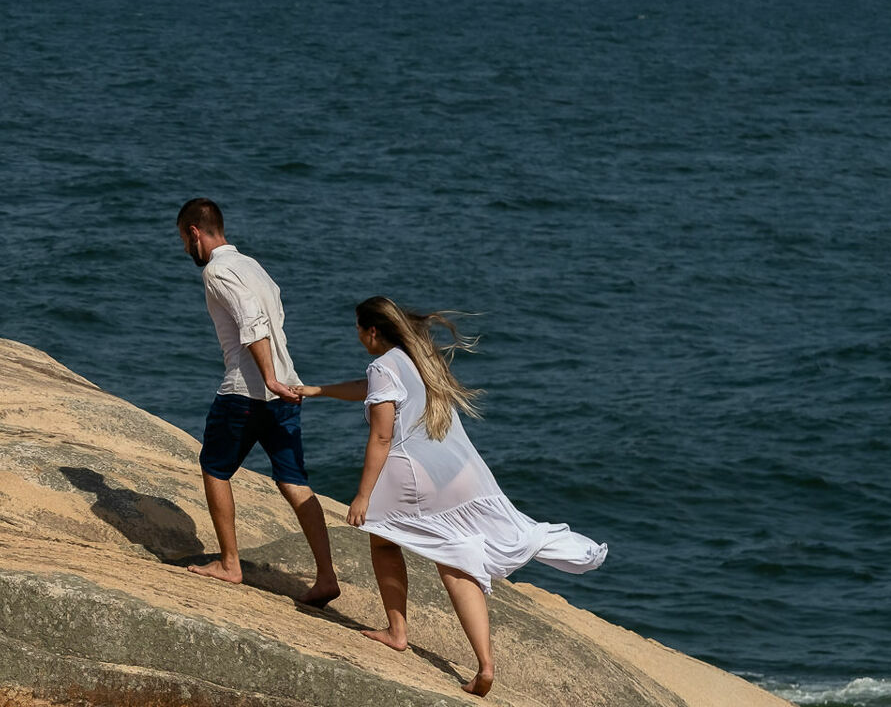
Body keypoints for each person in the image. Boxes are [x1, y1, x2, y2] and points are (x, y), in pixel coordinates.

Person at [301, 296, 608, 698]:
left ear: (371, 331)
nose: (358, 337)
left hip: (409, 473)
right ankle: (484, 664)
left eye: (358, 330)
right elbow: (367, 390)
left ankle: (397, 631)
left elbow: (381, 435)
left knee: (384, 540)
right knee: (454, 558)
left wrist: (363, 495)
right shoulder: (417, 359)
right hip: (449, 471)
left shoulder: (382, 365)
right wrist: (316, 390)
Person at [176, 198, 340, 605]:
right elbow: (273, 318)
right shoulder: (254, 266)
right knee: (294, 481)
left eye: (183, 239)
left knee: (214, 467)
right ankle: (326, 576)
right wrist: (279, 379)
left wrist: (266, 377)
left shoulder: (217, 270)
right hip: (288, 388)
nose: (184, 249)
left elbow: (252, 321)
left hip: (247, 391)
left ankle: (230, 563)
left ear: (195, 232)